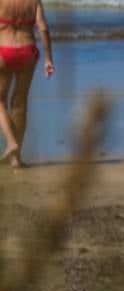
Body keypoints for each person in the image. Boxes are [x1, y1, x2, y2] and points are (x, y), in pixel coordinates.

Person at [0, 0, 53, 168]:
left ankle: (11, 143)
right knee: (20, 103)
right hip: (28, 51)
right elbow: (43, 28)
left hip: (3, 50)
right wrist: (48, 59)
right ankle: (16, 158)